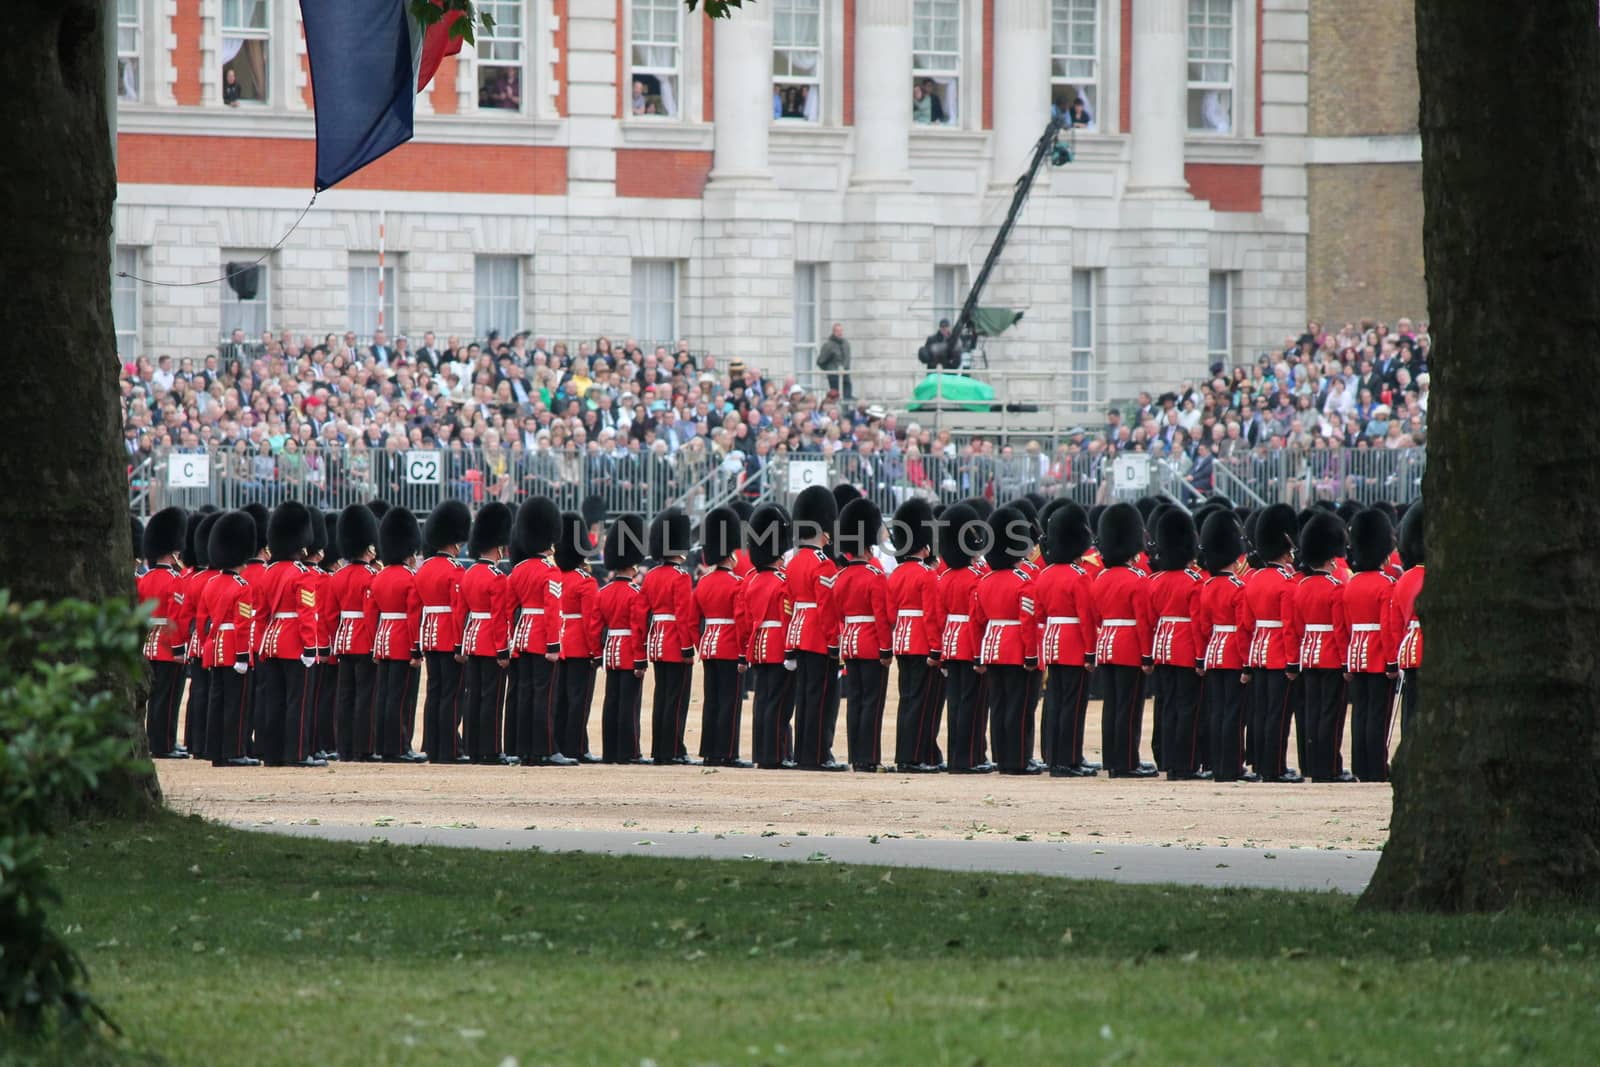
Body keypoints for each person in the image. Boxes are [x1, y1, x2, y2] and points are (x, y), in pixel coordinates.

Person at [254, 502, 326, 768]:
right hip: (294, 642)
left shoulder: (267, 572)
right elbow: (306, 613)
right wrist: (310, 647)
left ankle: (272, 754)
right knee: (299, 701)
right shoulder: (302, 575)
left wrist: (261, 644)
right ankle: (297, 753)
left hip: (271, 642)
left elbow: (260, 614)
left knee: (274, 700)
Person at [972, 505, 1041, 775]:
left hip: (992, 646)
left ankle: (1002, 757)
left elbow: (976, 621)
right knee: (1020, 706)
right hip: (1015, 648)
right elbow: (1027, 622)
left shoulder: (985, 581)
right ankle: (1018, 759)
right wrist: (1031, 654)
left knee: (998, 705)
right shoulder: (1023, 581)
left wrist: (979, 653)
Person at [1091, 503, 1156, 778]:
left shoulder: (1100, 578)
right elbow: (1143, 622)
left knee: (1112, 704)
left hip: (1106, 643)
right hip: (1129, 646)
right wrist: (1147, 654)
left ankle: (1112, 760)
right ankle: (1128, 761)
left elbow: (1096, 616)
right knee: (1129, 707)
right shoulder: (1137, 579)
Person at [507, 497, 574, 766]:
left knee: (525, 695)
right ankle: (546, 749)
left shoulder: (518, 570)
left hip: (522, 638)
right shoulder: (551, 571)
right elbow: (551, 610)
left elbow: (509, 611)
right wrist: (554, 645)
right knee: (544, 697)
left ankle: (525, 749)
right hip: (541, 639)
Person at [1034, 504, 1097, 776]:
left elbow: (1039, 613)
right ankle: (1068, 759)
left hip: (1052, 642)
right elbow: (1086, 618)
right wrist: (1091, 652)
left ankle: (1054, 756)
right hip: (1073, 644)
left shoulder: (1045, 575)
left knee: (1055, 701)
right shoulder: (1079, 576)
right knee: (1073, 704)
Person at [1242, 503, 1303, 783]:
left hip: (1258, 652)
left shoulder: (1252, 580)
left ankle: (1261, 765)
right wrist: (1293, 660)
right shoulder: (1286, 583)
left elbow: (1247, 623)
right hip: (1279, 652)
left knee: (1262, 712)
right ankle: (1275, 768)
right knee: (1278, 716)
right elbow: (1289, 627)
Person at [785, 486, 845, 771]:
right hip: (818, 637)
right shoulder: (824, 564)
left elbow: (789, 602)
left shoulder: (794, 562)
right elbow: (826, 608)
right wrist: (834, 641)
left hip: (797, 633)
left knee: (804, 697)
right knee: (821, 697)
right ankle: (818, 754)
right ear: (825, 531)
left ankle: (802, 753)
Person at [833, 498, 892, 772]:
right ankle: (869, 757)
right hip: (870, 644)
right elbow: (882, 617)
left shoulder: (841, 577)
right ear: (868, 545)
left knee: (854, 701)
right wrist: (885, 649)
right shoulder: (875, 575)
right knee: (872, 702)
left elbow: (838, 614)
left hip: (850, 643)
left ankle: (857, 756)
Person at [199, 510, 261, 767]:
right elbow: (243, 625)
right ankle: (235, 751)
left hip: (214, 648)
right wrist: (242, 656)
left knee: (217, 701)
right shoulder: (242, 587)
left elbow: (203, 621)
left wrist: (208, 645)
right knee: (236, 704)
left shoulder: (211, 583)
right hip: (234, 648)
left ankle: (215, 751)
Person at [1148, 509, 1206, 780]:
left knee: (1167, 706)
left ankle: (1169, 762)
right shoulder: (1194, 582)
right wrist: (1200, 657)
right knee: (1187, 708)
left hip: (1162, 647)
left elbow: (1149, 620)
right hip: (1184, 649)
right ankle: (1185, 764)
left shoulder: (1155, 581)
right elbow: (1198, 624)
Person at [1294, 511, 1351, 783]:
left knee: (1312, 713)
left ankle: (1312, 765)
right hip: (1330, 656)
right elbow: (1340, 631)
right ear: (1331, 558)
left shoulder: (1301, 586)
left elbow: (1295, 626)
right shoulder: (1335, 588)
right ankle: (1329, 767)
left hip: (1308, 655)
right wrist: (1345, 661)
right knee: (1330, 715)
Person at [459, 502, 518, 766]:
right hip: (490, 643)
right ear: (498, 548)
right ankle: (492, 750)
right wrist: (503, 649)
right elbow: (499, 618)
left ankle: (472, 748)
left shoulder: (469, 574)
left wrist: (460, 644)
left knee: (473, 696)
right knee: (491, 700)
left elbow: (462, 612)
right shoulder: (497, 577)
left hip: (471, 640)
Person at [1195, 511, 1252, 782]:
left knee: (1216, 711)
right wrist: (1246, 662)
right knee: (1232, 714)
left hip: (1213, 653)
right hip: (1231, 655)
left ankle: (1217, 765)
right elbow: (1242, 630)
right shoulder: (1237, 588)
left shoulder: (1206, 586)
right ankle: (1231, 767)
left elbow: (1203, 626)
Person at [887, 498, 943, 773]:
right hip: (921, 642)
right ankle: (915, 757)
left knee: (907, 699)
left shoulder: (896, 574)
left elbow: (890, 613)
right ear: (926, 545)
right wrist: (936, 649)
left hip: (902, 641)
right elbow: (931, 616)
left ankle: (905, 754)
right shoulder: (927, 575)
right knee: (920, 703)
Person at [694, 507, 752, 766]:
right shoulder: (736, 583)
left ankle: (709, 752)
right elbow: (741, 621)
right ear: (731, 553)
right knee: (730, 703)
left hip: (709, 645)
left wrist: (700, 644)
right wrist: (744, 651)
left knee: (712, 701)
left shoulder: (703, 583)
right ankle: (728, 752)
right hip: (729, 645)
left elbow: (693, 619)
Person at [1344, 509, 1399, 782]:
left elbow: (1345, 625)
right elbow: (1388, 628)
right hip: (1377, 654)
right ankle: (1376, 767)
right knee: (1378, 714)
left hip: (1355, 653)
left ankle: (1360, 766)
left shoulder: (1351, 585)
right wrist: (1392, 661)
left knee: (1360, 713)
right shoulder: (1387, 584)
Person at [416, 500, 471, 764]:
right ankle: (449, 748)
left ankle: (432, 745)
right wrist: (461, 645)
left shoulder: (423, 569)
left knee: (434, 692)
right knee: (452, 694)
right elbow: (459, 611)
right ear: (455, 541)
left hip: (429, 635)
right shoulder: (455, 570)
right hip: (449, 636)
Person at [936, 502, 989, 773]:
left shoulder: (944, 577)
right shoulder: (976, 577)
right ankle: (971, 757)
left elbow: (938, 616)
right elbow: (978, 618)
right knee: (972, 703)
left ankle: (958, 756)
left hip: (950, 642)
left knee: (955, 702)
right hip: (970, 644)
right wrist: (981, 652)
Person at [369, 506, 425, 763]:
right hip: (403, 640)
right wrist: (416, 648)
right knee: (402, 698)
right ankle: (400, 746)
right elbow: (414, 616)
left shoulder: (378, 577)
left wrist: (374, 645)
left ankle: (382, 744)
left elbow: (371, 614)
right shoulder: (410, 579)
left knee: (384, 696)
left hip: (383, 639)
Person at [642, 507, 698, 764]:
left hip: (656, 641)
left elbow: (642, 613)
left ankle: (659, 749)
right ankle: (674, 749)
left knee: (661, 696)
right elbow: (684, 615)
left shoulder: (651, 576)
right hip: (675, 641)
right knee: (676, 700)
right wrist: (688, 647)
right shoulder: (680, 577)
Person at [137, 506, 190, 760]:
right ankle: (164, 744)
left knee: (153, 697)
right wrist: (179, 648)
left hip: (149, 642)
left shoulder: (144, 579)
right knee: (168, 698)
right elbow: (177, 617)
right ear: (173, 551)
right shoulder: (176, 580)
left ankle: (155, 740)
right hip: (168, 645)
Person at [329, 502, 380, 763]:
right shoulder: (371, 576)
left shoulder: (337, 576)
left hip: (342, 640)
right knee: (364, 697)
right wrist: (375, 644)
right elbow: (371, 616)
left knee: (344, 696)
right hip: (363, 640)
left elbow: (330, 615)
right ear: (369, 546)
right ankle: (363, 748)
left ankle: (344, 748)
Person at [744, 504, 795, 769]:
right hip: (776, 646)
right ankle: (777, 754)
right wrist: (791, 650)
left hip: (758, 646)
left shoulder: (752, 581)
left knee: (762, 702)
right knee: (779, 705)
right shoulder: (781, 581)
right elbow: (787, 619)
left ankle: (761, 754)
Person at [596, 513, 650, 764]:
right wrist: (640, 659)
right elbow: (638, 629)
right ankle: (629, 751)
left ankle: (610, 751)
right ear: (633, 564)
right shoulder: (634, 594)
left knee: (612, 700)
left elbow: (596, 626)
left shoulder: (603, 592)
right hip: (628, 650)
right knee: (629, 704)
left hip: (611, 650)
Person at [553, 511, 602, 762]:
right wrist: (596, 651)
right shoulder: (585, 581)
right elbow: (591, 622)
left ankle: (559, 744)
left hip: (558, 642)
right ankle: (578, 747)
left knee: (559, 700)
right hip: (579, 646)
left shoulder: (554, 576)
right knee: (579, 701)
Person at [1390, 501, 1424, 734]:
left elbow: (1395, 623)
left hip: (1409, 648)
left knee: (1410, 707)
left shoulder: (1405, 578)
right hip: (1428, 648)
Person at [817, 323, 853, 399]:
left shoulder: (846, 344)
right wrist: (830, 369)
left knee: (847, 397)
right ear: (833, 332)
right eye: (838, 331)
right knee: (836, 397)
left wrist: (845, 368)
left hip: (845, 374)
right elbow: (820, 361)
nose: (840, 333)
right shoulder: (828, 345)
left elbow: (847, 358)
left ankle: (845, 410)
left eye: (841, 331)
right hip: (834, 376)